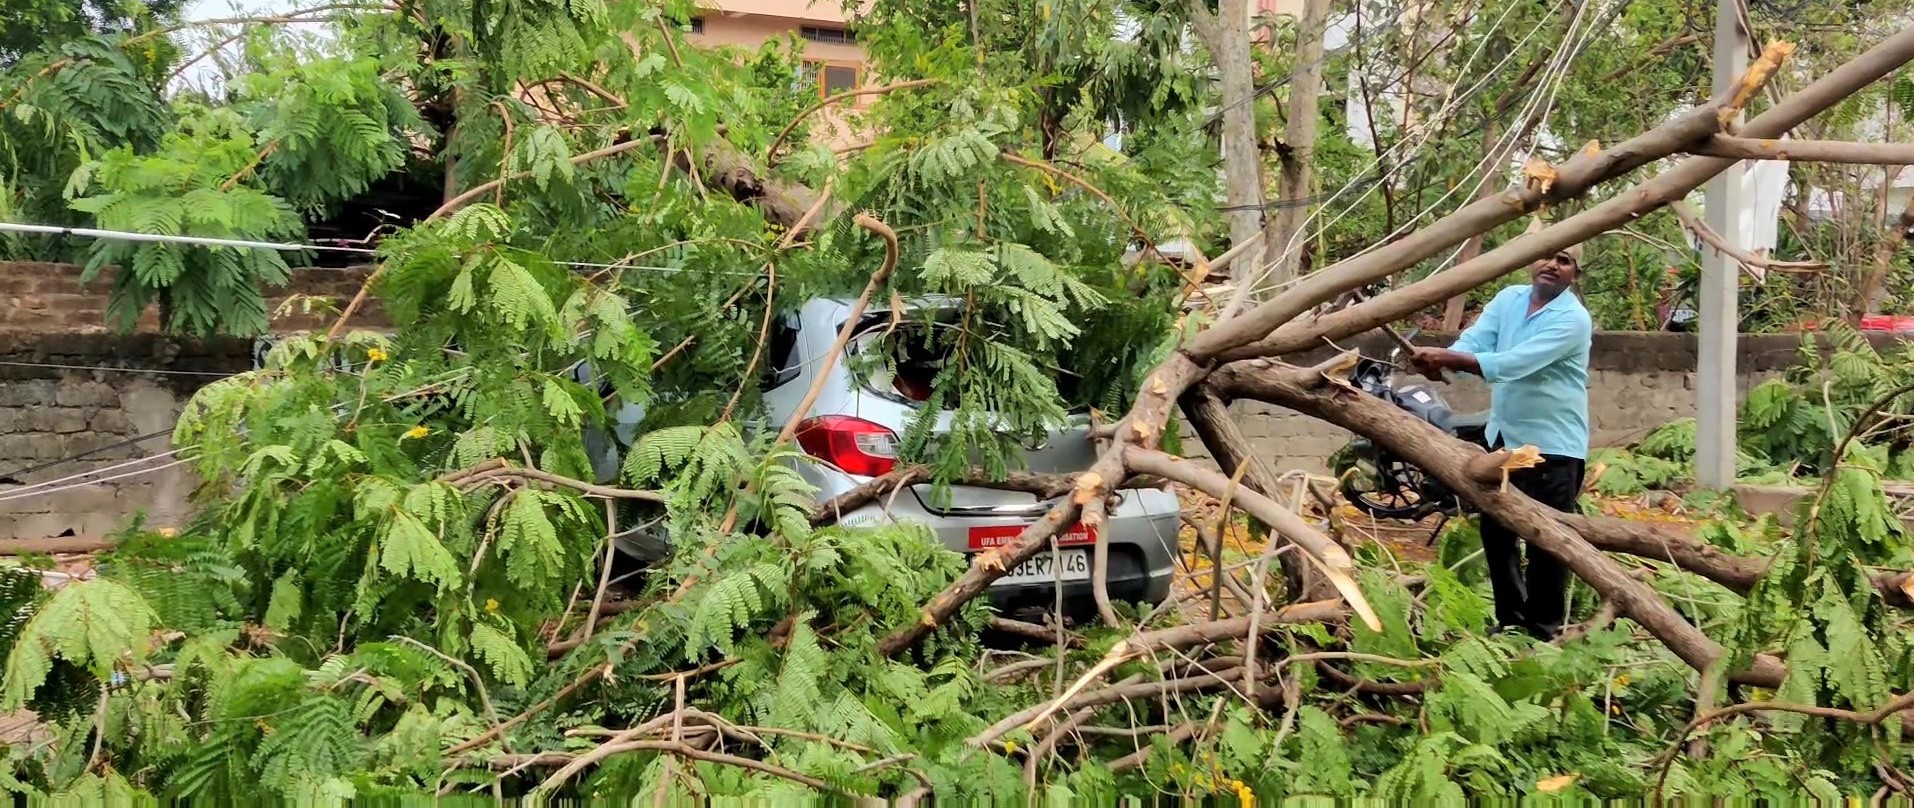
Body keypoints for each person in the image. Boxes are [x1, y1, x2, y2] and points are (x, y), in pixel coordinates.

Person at [1407, 246, 1592, 640]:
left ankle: (1543, 631)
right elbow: (1476, 339)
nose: (1551, 265)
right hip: (1504, 440)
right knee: (1497, 534)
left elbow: (1513, 363)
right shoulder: (1509, 300)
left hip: (1552, 447)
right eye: (1545, 256)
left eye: (1564, 260)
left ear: (1575, 273)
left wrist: (1448, 359)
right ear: (1532, 261)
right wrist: (1445, 357)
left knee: (1547, 543)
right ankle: (1509, 623)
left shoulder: (1573, 320)